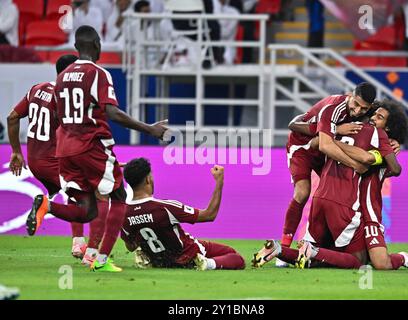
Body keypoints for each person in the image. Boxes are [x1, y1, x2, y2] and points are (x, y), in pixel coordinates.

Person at [26, 25, 168, 272]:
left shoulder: (61, 78)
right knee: (119, 198)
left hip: (65, 149)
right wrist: (149, 129)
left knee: (87, 209)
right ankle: (100, 260)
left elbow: (59, 116)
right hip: (91, 146)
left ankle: (48, 207)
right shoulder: (99, 74)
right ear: (96, 44)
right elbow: (112, 112)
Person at [254, 100, 408, 271]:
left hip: (346, 206)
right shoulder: (365, 133)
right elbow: (383, 165)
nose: (373, 117)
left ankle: (279, 250)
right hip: (352, 208)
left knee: (324, 259)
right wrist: (375, 154)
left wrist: (330, 138)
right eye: (374, 114)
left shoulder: (354, 129)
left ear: (389, 127)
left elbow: (315, 142)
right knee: (361, 261)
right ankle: (402, 258)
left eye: (380, 117)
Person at [276, 82, 376, 267]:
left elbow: (384, 121)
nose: (358, 111)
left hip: (323, 145)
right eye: (356, 104)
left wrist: (395, 142)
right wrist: (355, 164)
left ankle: (333, 247)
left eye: (364, 108)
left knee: (335, 192)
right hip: (303, 147)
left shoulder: (365, 111)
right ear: (350, 95)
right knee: (303, 192)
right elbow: (325, 145)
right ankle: (284, 248)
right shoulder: (334, 107)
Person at [7, 55, 88, 259]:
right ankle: (81, 245)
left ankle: (78, 241)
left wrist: (16, 151)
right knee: (85, 195)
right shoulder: (64, 99)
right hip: (53, 160)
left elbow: (12, 117)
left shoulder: (37, 89)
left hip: (34, 160)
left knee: (74, 194)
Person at [121, 158, 245, 270]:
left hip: (160, 261)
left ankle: (148, 258)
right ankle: (206, 263)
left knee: (228, 252)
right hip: (188, 254)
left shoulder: (124, 214)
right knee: (236, 258)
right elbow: (209, 215)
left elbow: (131, 246)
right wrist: (219, 182)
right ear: (148, 179)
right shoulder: (164, 207)